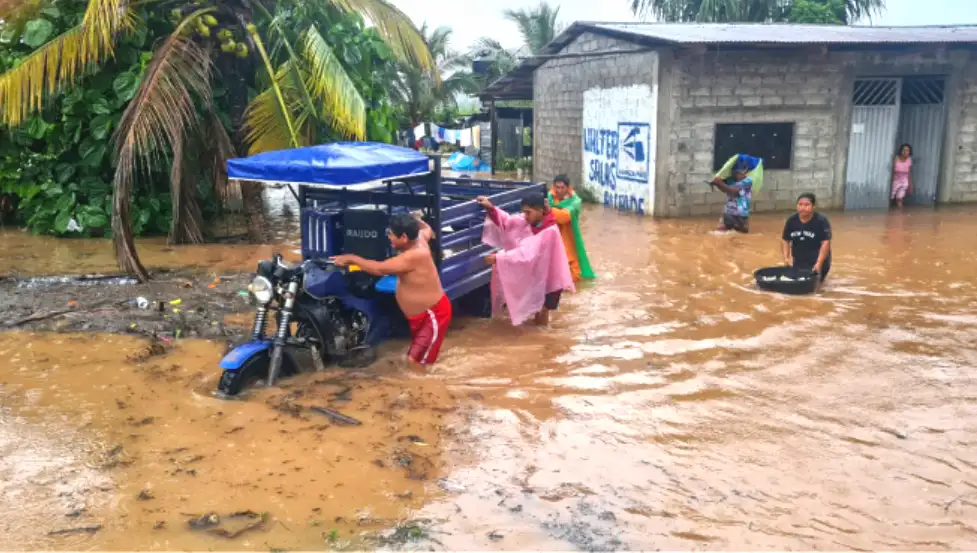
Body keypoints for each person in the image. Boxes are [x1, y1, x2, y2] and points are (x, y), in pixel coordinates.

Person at [331, 213, 451, 368]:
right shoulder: (419, 238)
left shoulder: (414, 255)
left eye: (391, 234)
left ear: (404, 238)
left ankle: (424, 391)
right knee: (422, 360)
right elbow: (427, 229)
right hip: (421, 316)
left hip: (433, 315)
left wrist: (352, 258)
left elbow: (379, 269)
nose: (388, 236)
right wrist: (416, 219)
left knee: (414, 363)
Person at [476, 194, 562, 325]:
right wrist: (491, 209)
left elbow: (527, 253)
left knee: (543, 310)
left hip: (550, 277)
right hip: (536, 275)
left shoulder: (550, 230)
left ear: (540, 210)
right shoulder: (526, 222)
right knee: (536, 308)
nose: (525, 216)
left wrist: (499, 257)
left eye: (528, 212)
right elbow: (507, 222)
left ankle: (542, 341)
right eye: (524, 212)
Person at [547, 175, 596, 282]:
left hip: (567, 234)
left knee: (572, 265)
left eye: (562, 187)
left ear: (568, 188)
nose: (559, 190)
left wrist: (548, 210)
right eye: (557, 187)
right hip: (552, 233)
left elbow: (564, 217)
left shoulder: (575, 201)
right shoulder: (549, 197)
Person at [782, 193, 832, 283]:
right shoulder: (791, 221)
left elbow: (825, 243)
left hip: (818, 259)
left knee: (817, 285)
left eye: (806, 205)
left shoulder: (821, 221)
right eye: (800, 204)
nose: (802, 207)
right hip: (799, 259)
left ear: (813, 206)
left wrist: (819, 263)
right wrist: (786, 258)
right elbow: (785, 240)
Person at [710, 158, 753, 233]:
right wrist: (717, 184)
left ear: (745, 172)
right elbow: (726, 190)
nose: (736, 175)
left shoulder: (748, 181)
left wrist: (720, 183)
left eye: (739, 173)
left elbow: (734, 191)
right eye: (735, 173)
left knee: (741, 234)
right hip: (728, 212)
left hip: (740, 214)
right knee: (721, 232)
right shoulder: (731, 180)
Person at [891, 143, 913, 208]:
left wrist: (910, 185)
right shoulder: (896, 159)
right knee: (891, 198)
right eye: (903, 150)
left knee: (900, 199)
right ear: (900, 151)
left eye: (907, 150)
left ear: (909, 152)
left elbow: (908, 173)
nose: (905, 152)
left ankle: (900, 215)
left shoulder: (909, 160)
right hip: (895, 181)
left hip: (904, 181)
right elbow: (892, 171)